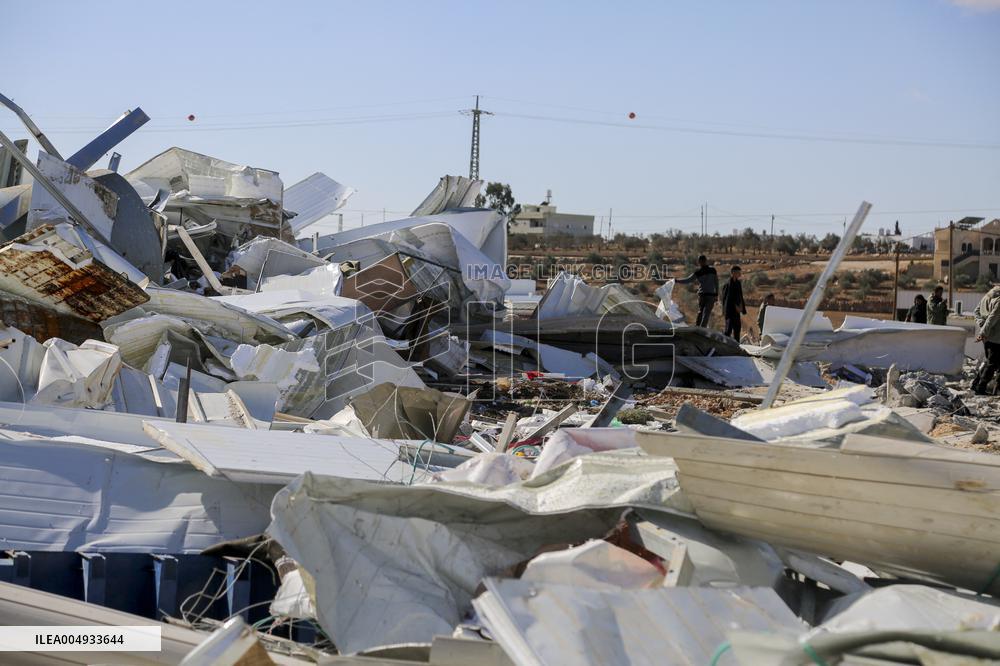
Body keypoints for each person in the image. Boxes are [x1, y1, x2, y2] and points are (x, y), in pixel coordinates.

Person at [972, 282, 1000, 395]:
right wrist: (983, 332)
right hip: (996, 337)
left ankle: (976, 385)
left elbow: (976, 312)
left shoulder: (987, 295)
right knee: (992, 364)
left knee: (990, 362)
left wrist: (981, 325)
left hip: (988, 336)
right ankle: (980, 387)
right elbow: (992, 318)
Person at [676, 255, 719, 328]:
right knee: (705, 313)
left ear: (699, 262)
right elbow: (716, 282)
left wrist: (677, 280)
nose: (701, 263)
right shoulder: (711, 270)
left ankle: (699, 328)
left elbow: (688, 280)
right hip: (709, 295)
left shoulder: (700, 272)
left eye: (701, 261)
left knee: (702, 313)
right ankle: (700, 329)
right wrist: (716, 294)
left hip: (704, 295)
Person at [720, 265, 747, 340]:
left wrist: (742, 308)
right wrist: (735, 307)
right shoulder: (728, 284)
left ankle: (736, 347)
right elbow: (726, 299)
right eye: (738, 272)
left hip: (736, 311)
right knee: (728, 330)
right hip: (729, 311)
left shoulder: (738, 283)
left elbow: (740, 296)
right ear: (733, 273)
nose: (740, 274)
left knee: (737, 329)